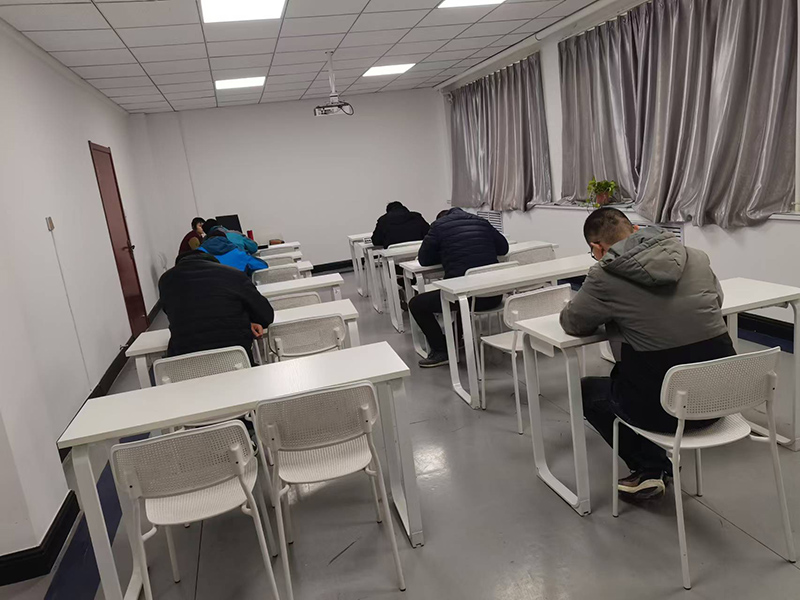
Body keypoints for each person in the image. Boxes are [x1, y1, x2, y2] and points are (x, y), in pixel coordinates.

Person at [560, 207, 735, 501]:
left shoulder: (604, 274)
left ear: (597, 248)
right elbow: (716, 301)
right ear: (636, 231)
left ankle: (649, 467)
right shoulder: (695, 256)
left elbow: (573, 322)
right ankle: (652, 465)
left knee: (587, 391)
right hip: (723, 399)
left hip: (668, 411)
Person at [409, 207, 510, 368]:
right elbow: (503, 249)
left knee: (417, 304)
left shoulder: (438, 226)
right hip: (494, 295)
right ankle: (456, 341)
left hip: (466, 298)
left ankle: (441, 350)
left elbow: (424, 260)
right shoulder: (481, 222)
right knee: (461, 298)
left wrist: (444, 252)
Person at [159, 250, 274, 365]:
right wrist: (245, 321)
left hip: (187, 366)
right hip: (236, 363)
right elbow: (266, 316)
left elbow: (173, 314)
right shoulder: (234, 275)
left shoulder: (166, 281)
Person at [199, 230, 268, 276]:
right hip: (236, 289)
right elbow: (262, 266)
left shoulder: (198, 254)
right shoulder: (238, 253)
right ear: (226, 240)